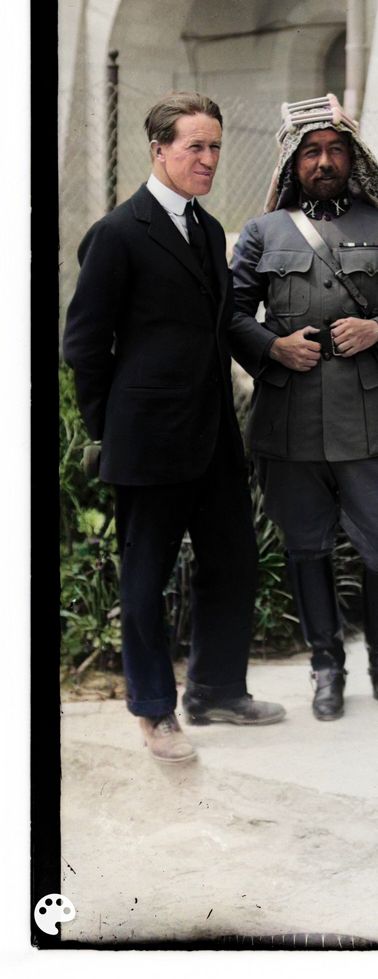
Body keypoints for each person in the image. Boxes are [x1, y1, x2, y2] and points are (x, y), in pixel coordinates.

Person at [63, 93, 285, 764]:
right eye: (195, 146)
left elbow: (216, 328)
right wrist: (112, 427)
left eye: (215, 146)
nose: (209, 159)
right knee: (145, 578)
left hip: (214, 432)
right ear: (158, 149)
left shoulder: (209, 229)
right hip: (149, 440)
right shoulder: (119, 232)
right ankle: (155, 710)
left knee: (234, 562)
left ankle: (217, 689)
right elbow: (82, 343)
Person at [229, 96, 378, 720]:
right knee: (305, 547)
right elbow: (233, 317)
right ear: (293, 164)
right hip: (289, 421)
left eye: (335, 150)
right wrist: (272, 346)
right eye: (311, 153)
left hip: (373, 423)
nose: (324, 162)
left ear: (353, 158)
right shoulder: (263, 233)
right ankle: (326, 667)